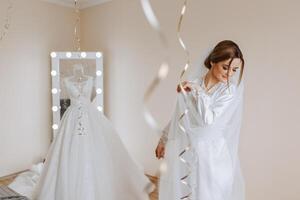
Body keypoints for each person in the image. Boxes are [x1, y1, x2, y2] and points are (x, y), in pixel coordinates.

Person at [156, 40, 245, 200]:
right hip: (189, 148)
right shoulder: (194, 84)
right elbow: (180, 116)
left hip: (212, 153)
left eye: (234, 70)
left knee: (209, 194)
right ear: (212, 61)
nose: (229, 74)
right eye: (225, 67)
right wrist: (163, 139)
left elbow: (208, 119)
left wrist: (197, 91)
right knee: (188, 192)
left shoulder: (228, 90)